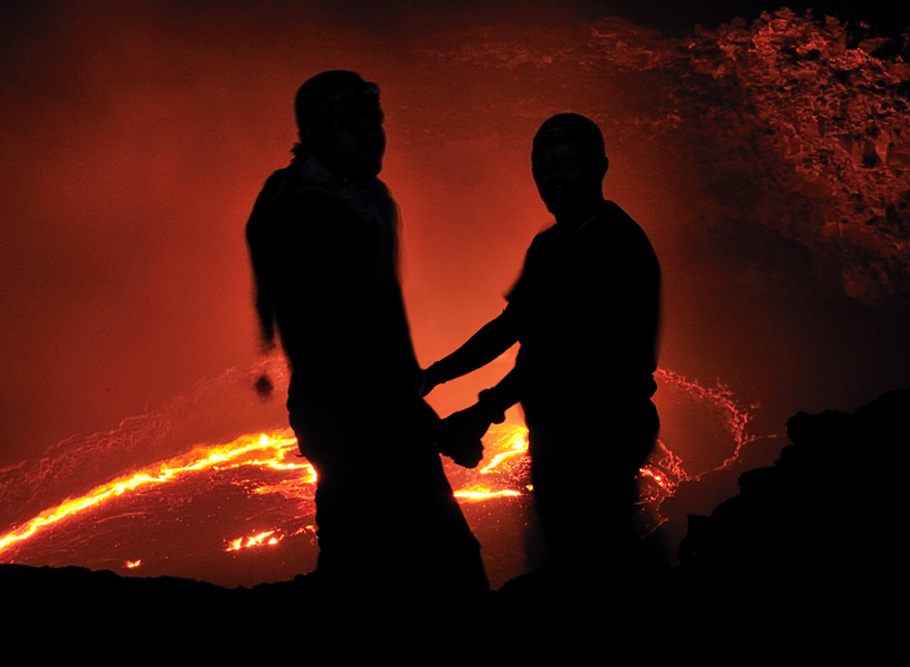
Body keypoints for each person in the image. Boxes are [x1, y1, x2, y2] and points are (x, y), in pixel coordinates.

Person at [245, 71, 488, 598]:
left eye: (375, 119)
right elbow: (344, 340)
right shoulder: (312, 213)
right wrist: (427, 425)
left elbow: (375, 321)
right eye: (349, 121)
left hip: (355, 412)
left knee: (363, 555)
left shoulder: (358, 198)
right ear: (311, 133)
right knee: (440, 562)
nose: (370, 131)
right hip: (353, 418)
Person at [422, 113, 661, 579]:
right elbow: (512, 325)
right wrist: (434, 374)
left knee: (593, 557)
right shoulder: (550, 246)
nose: (552, 175)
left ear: (600, 167)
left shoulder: (615, 245)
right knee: (578, 554)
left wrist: (482, 410)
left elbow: (564, 355)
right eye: (543, 165)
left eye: (566, 162)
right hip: (558, 433)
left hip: (603, 432)